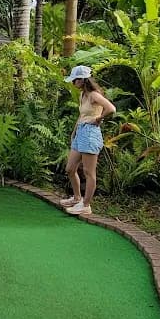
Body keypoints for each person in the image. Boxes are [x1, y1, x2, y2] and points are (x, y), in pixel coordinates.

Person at [61, 65, 116, 216]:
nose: (73, 83)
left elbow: (111, 108)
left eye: (75, 80)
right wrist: (74, 132)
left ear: (83, 80)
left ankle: (86, 204)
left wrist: (99, 118)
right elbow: (81, 116)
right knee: (70, 168)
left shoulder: (93, 95)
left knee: (88, 171)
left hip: (91, 133)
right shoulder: (83, 95)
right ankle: (77, 197)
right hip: (81, 132)